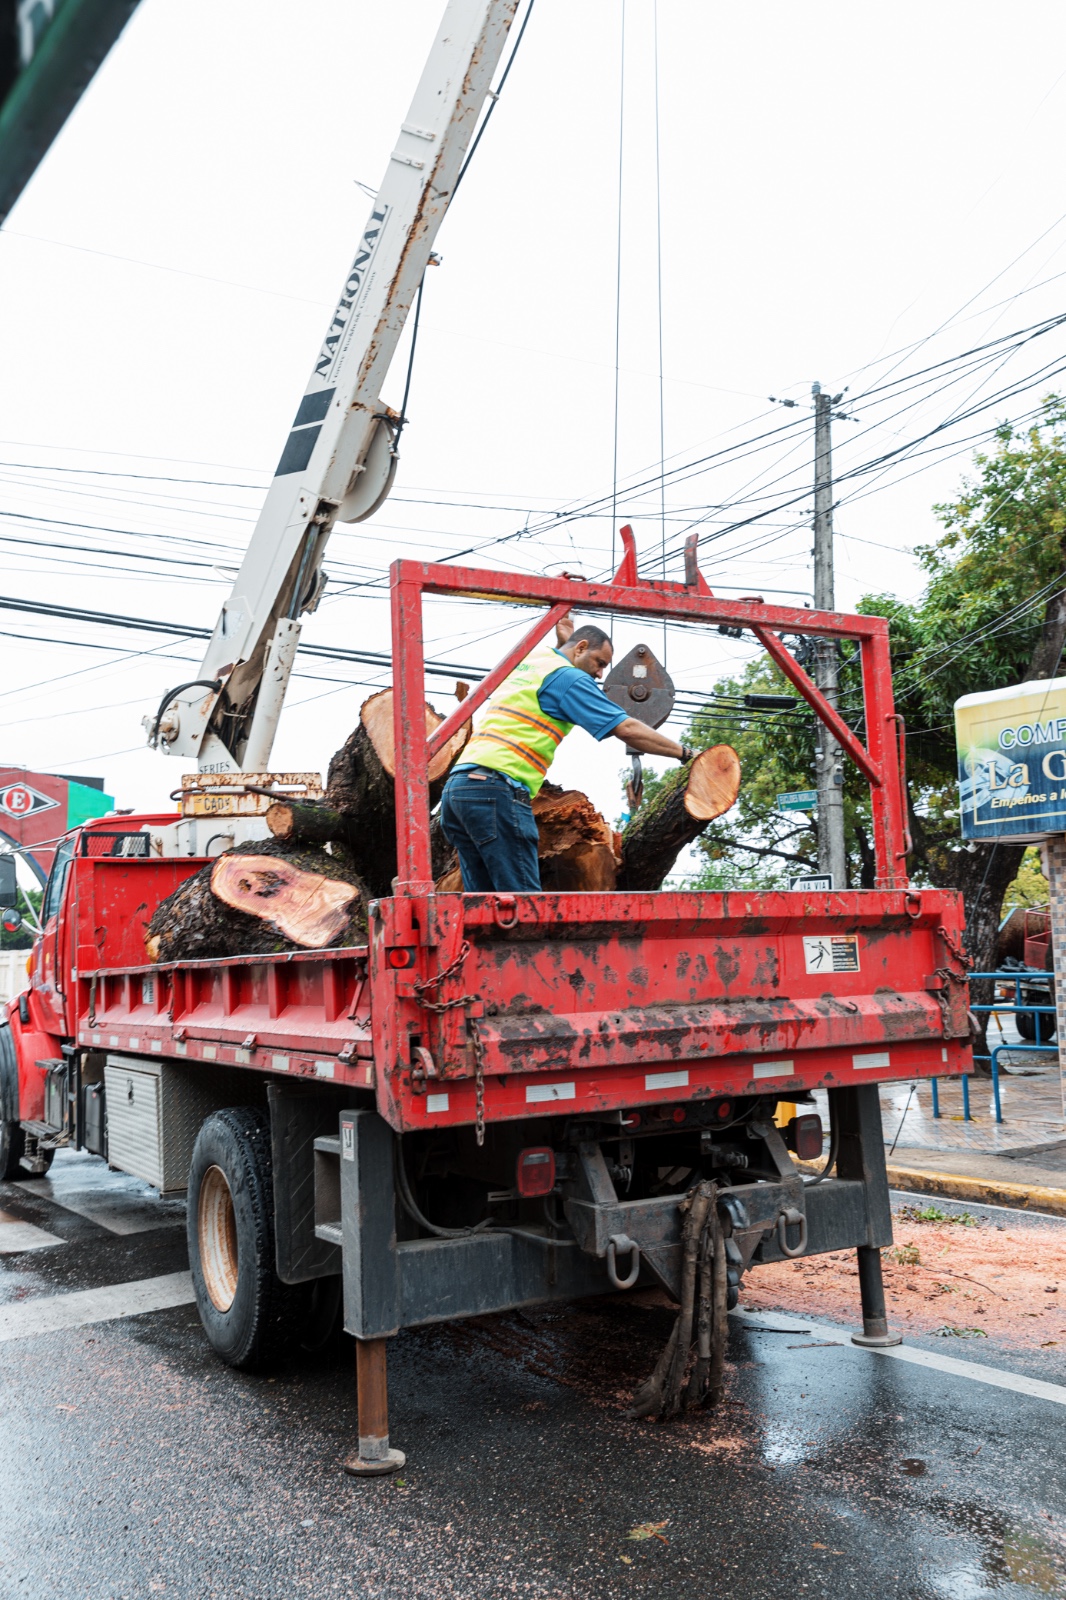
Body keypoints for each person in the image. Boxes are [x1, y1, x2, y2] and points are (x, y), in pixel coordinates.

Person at [439, 614, 694, 892]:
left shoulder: (533, 660)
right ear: (581, 647)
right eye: (599, 663)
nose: (600, 674)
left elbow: (558, 659)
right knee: (523, 908)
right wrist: (684, 753)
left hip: (459, 791)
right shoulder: (569, 679)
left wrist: (564, 642)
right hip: (497, 792)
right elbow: (627, 728)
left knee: (482, 907)